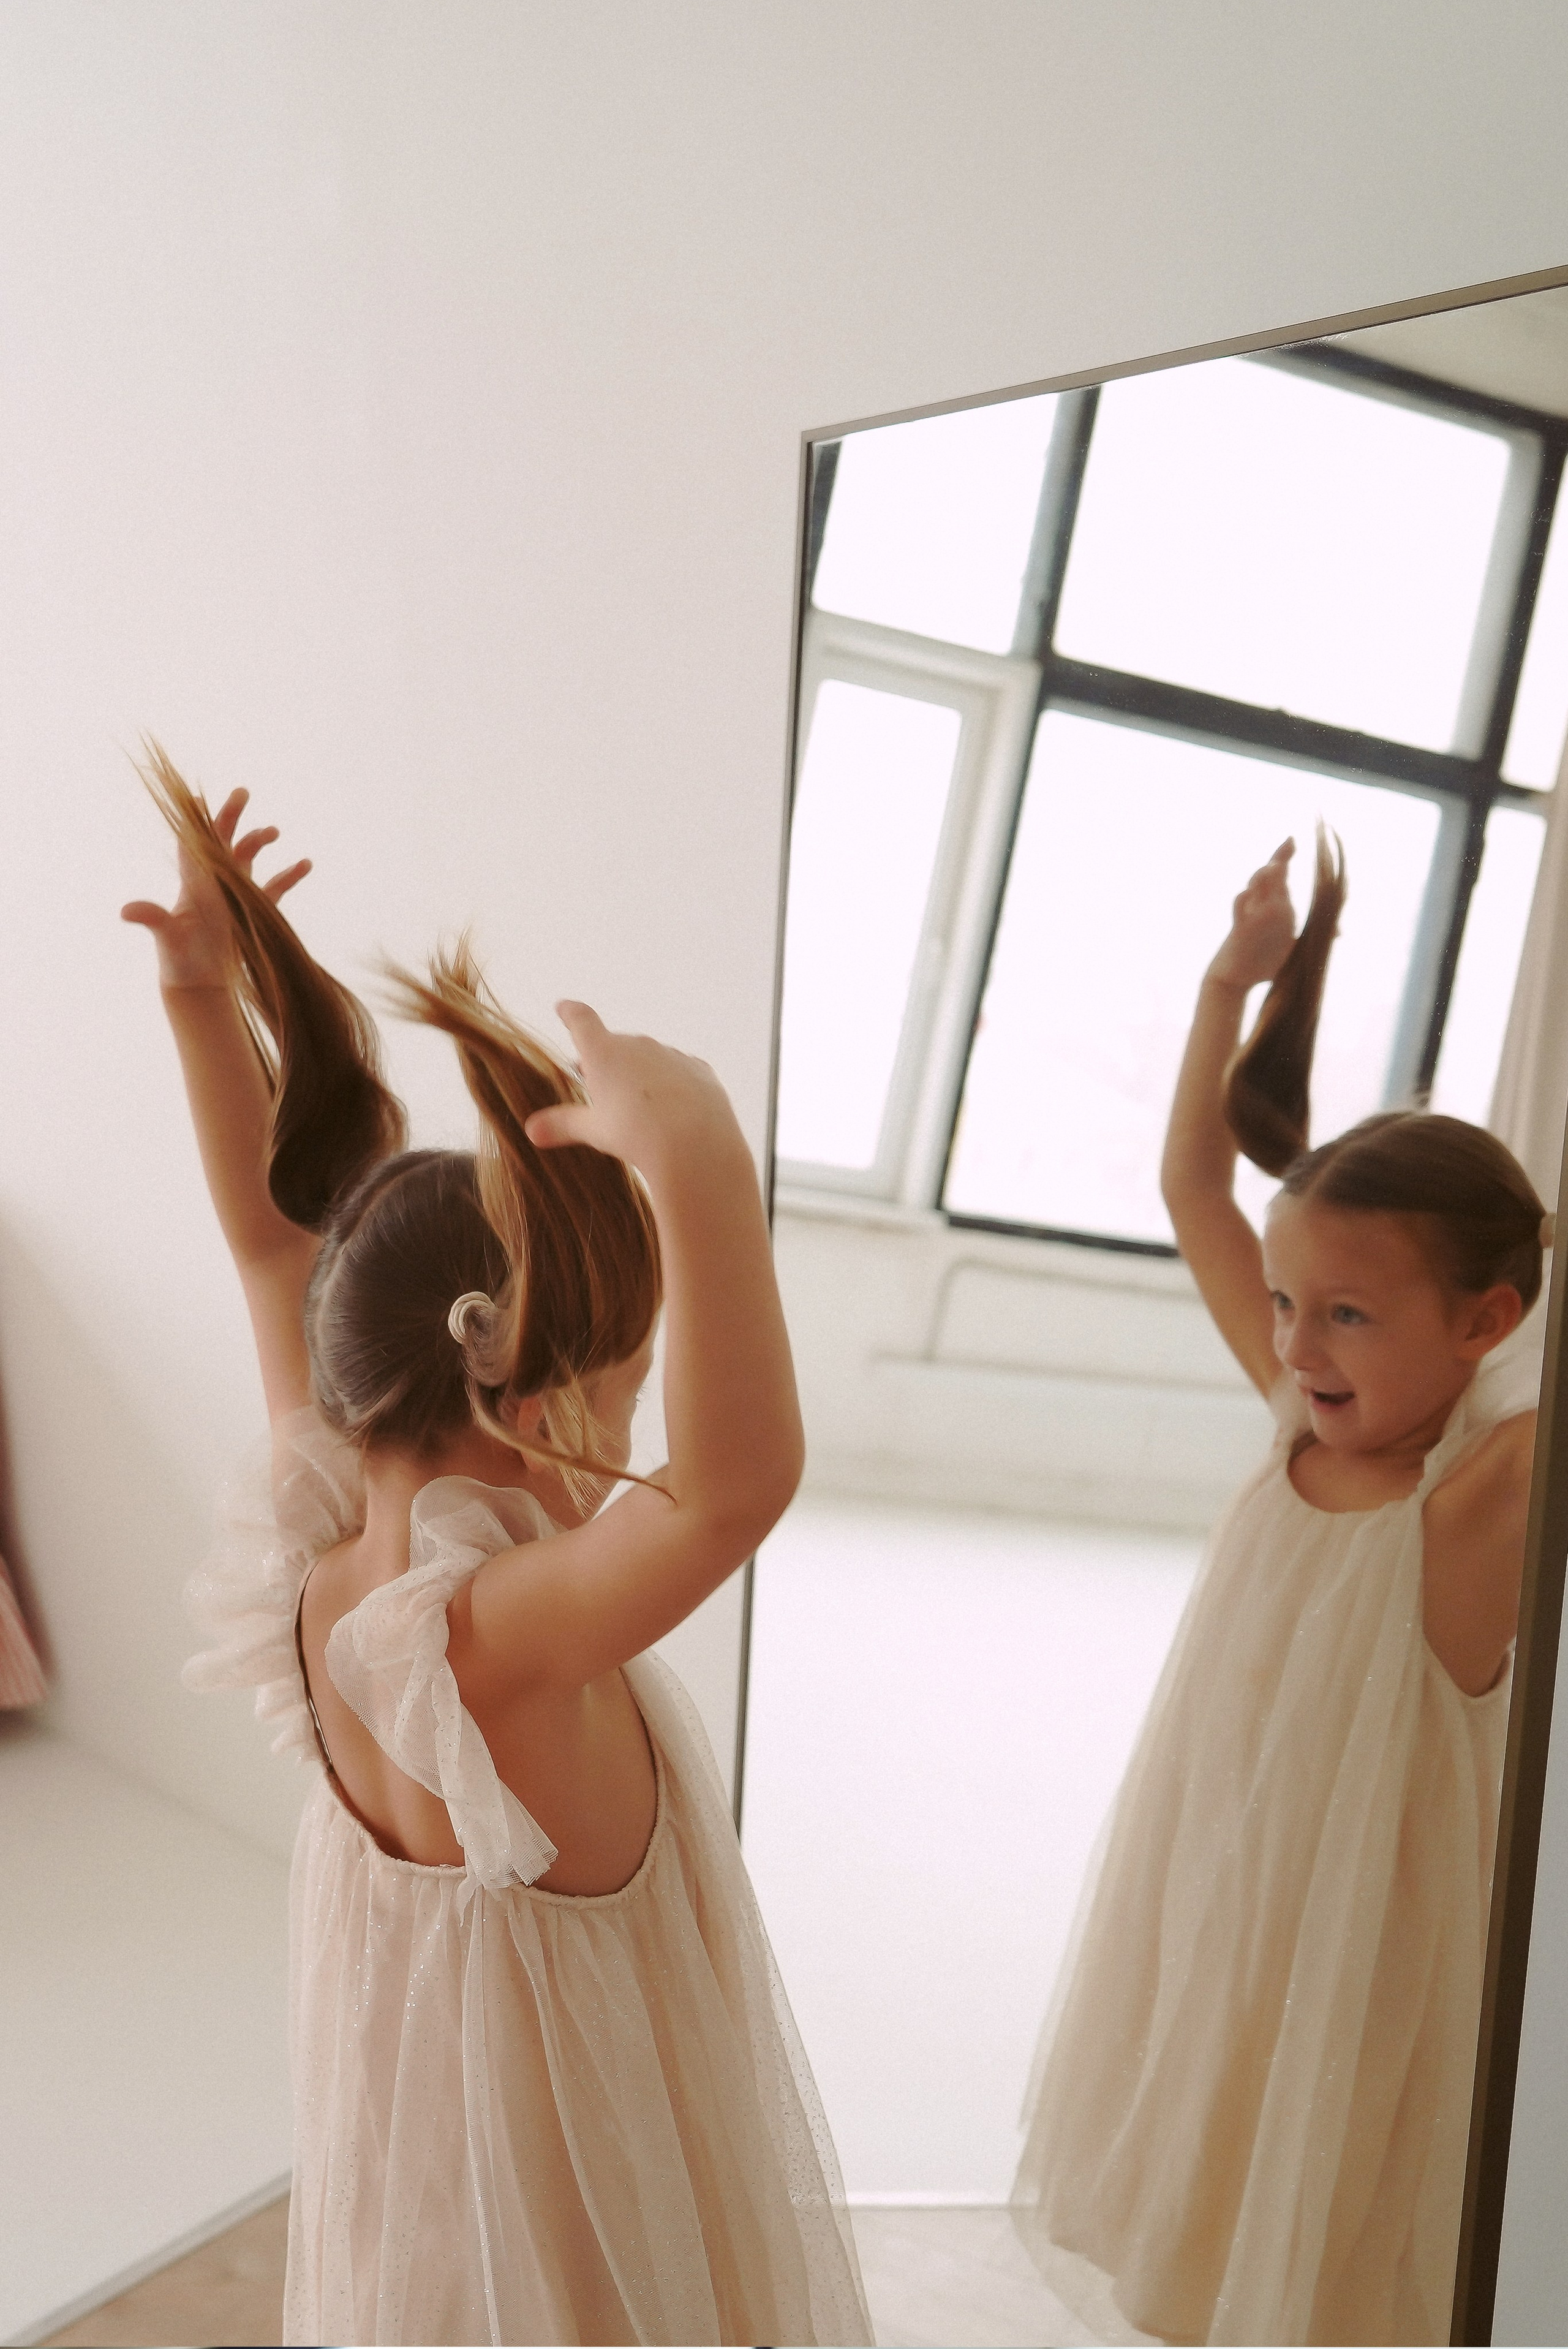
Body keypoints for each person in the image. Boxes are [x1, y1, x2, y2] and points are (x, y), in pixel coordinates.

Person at [124, 747, 872, 2349]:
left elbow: (267, 1241)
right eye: (634, 1374)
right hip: (573, 2207)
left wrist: (204, 995)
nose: (650, 1419)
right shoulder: (505, 1632)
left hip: (432, 2170)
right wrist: (702, 1163)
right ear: (533, 1395)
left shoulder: (320, 1541)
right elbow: (738, 1489)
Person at [1011, 831, 1548, 2348]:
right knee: (1210, 2167)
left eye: (1350, 1315)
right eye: (1285, 1307)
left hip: (1363, 1943)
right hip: (1223, 1881)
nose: (1300, 1345)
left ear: (1483, 1322)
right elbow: (1191, 1179)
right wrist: (1220, 990)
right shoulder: (1291, 1413)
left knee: (1335, 2224)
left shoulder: (1474, 1504)